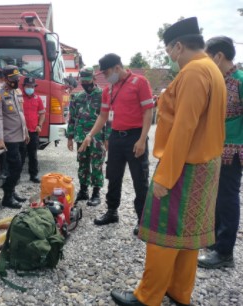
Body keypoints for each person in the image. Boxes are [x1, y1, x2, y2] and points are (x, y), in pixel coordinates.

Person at [109, 17, 227, 306]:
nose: (170, 57)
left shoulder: (193, 72)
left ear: (177, 46)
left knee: (162, 233)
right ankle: (178, 292)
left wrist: (164, 177)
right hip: (206, 165)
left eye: (168, 51)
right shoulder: (212, 69)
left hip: (183, 166)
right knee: (188, 234)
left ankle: (147, 297)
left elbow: (184, 128)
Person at [79, 54, 154, 233]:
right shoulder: (109, 90)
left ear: (117, 68)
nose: (105, 76)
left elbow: (148, 112)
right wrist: (90, 135)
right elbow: (103, 116)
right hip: (116, 137)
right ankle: (112, 211)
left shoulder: (140, 82)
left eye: (106, 72)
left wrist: (142, 139)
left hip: (135, 136)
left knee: (140, 179)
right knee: (113, 176)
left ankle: (142, 220)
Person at [197, 36, 243, 269]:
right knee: (214, 196)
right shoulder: (219, 80)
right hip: (216, 148)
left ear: (219, 56)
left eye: (208, 57)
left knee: (226, 198)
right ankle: (214, 242)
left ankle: (225, 252)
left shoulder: (239, 80)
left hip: (233, 151)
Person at [0, 65, 30, 209]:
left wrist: (25, 132)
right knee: (15, 167)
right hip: (9, 138)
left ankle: (12, 191)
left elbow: (21, 113)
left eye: (17, 78)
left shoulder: (17, 91)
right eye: (13, 78)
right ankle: (7, 197)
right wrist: (0, 139)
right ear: (5, 78)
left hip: (21, 135)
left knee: (19, 168)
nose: (16, 81)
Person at [67, 67, 106, 206]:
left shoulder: (103, 95)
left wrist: (107, 138)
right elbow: (72, 118)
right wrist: (70, 137)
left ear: (94, 79)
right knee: (82, 164)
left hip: (98, 138)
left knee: (97, 165)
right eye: (82, 81)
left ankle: (96, 193)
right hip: (81, 137)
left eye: (87, 81)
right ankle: (83, 191)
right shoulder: (78, 97)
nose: (85, 84)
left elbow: (109, 118)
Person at [20, 77, 45, 183]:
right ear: (23, 86)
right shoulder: (19, 98)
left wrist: (39, 125)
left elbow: (42, 113)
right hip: (20, 131)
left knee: (33, 155)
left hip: (33, 131)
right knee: (20, 155)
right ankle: (17, 177)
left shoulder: (37, 98)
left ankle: (33, 175)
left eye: (32, 86)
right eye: (28, 86)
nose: (30, 88)